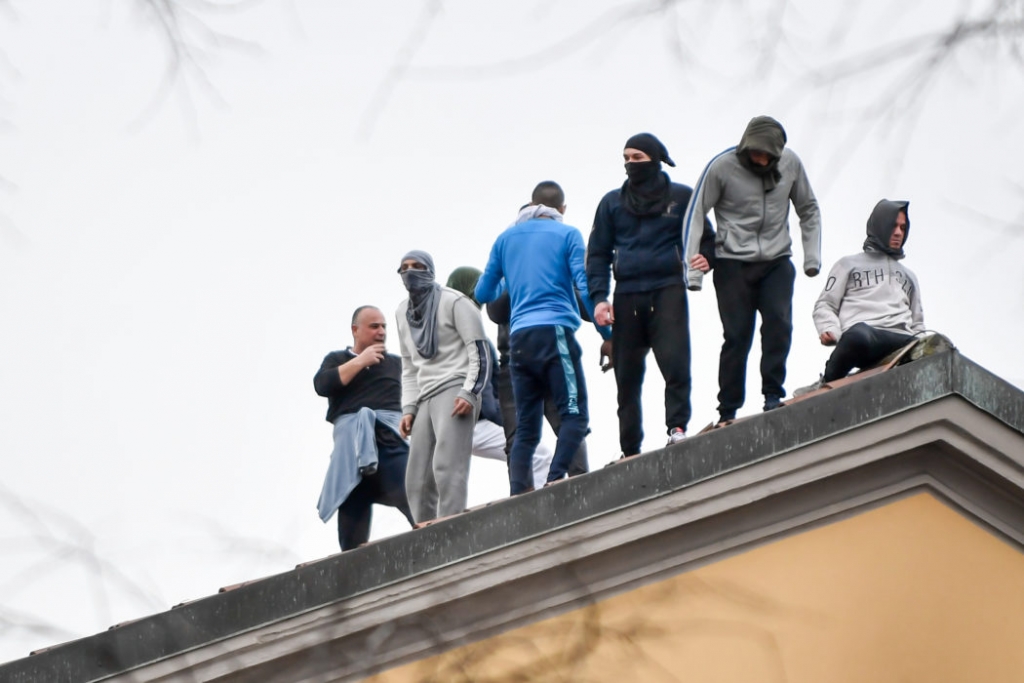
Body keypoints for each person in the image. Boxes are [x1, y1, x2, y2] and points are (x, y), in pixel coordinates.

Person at [682, 116, 822, 424]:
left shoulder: (791, 164)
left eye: (766, 155)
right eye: (755, 153)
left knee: (778, 324)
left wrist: (811, 257)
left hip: (776, 259)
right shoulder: (722, 167)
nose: (760, 159)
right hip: (732, 262)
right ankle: (727, 409)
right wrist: (693, 272)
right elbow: (695, 212)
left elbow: (808, 208)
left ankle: (772, 393)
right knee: (737, 336)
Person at [586, 133, 715, 456]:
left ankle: (677, 428)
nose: (630, 164)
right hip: (626, 294)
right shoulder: (612, 203)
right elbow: (597, 254)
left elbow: (707, 238)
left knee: (676, 363)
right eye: (626, 158)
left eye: (637, 158)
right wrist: (599, 298)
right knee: (626, 377)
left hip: (667, 289)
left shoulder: (682, 197)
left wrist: (707, 258)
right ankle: (629, 449)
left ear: (656, 160)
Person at [475, 181, 597, 495]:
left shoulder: (545, 251)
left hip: (535, 348)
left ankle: (578, 484)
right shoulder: (515, 251)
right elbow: (494, 310)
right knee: (526, 432)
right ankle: (525, 494)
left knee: (562, 424)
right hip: (519, 356)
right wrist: (516, 280)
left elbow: (584, 304)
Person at [395, 250, 491, 523]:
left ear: (430, 270)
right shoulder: (402, 312)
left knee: (447, 465)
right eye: (404, 268)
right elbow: (409, 365)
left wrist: (470, 392)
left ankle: (450, 527)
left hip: (455, 385)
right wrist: (409, 408)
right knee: (417, 477)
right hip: (424, 395)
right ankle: (426, 533)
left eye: (417, 266)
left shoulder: (455, 302)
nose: (410, 272)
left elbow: (479, 351)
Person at [313, 305, 415, 551]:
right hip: (351, 450)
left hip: (390, 441)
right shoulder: (337, 359)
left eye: (384, 327)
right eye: (374, 326)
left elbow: (417, 393)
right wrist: (361, 361)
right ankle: (353, 570)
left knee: (417, 496)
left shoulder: (396, 364)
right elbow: (322, 385)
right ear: (355, 330)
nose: (381, 332)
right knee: (351, 536)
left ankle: (444, 544)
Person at [446, 266, 555, 489]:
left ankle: (524, 495)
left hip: (446, 422)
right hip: (471, 422)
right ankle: (535, 503)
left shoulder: (442, 332)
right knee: (539, 455)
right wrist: (509, 422)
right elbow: (487, 396)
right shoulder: (468, 335)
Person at [813, 199, 924, 381]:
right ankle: (829, 381)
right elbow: (825, 304)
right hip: (865, 336)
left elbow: (918, 323)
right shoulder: (848, 264)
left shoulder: (909, 276)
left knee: (935, 347)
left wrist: (925, 345)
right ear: (880, 225)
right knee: (857, 336)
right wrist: (830, 329)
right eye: (893, 226)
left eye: (903, 228)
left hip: (901, 341)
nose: (898, 233)